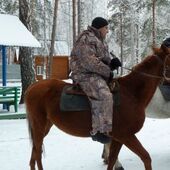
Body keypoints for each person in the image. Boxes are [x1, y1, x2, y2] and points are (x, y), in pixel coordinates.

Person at [70, 17, 122, 144]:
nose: (108, 31)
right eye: (106, 28)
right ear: (100, 27)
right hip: (84, 74)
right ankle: (100, 131)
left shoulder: (100, 40)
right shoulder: (86, 38)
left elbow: (102, 58)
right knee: (104, 94)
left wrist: (112, 63)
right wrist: (108, 71)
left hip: (95, 73)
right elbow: (89, 61)